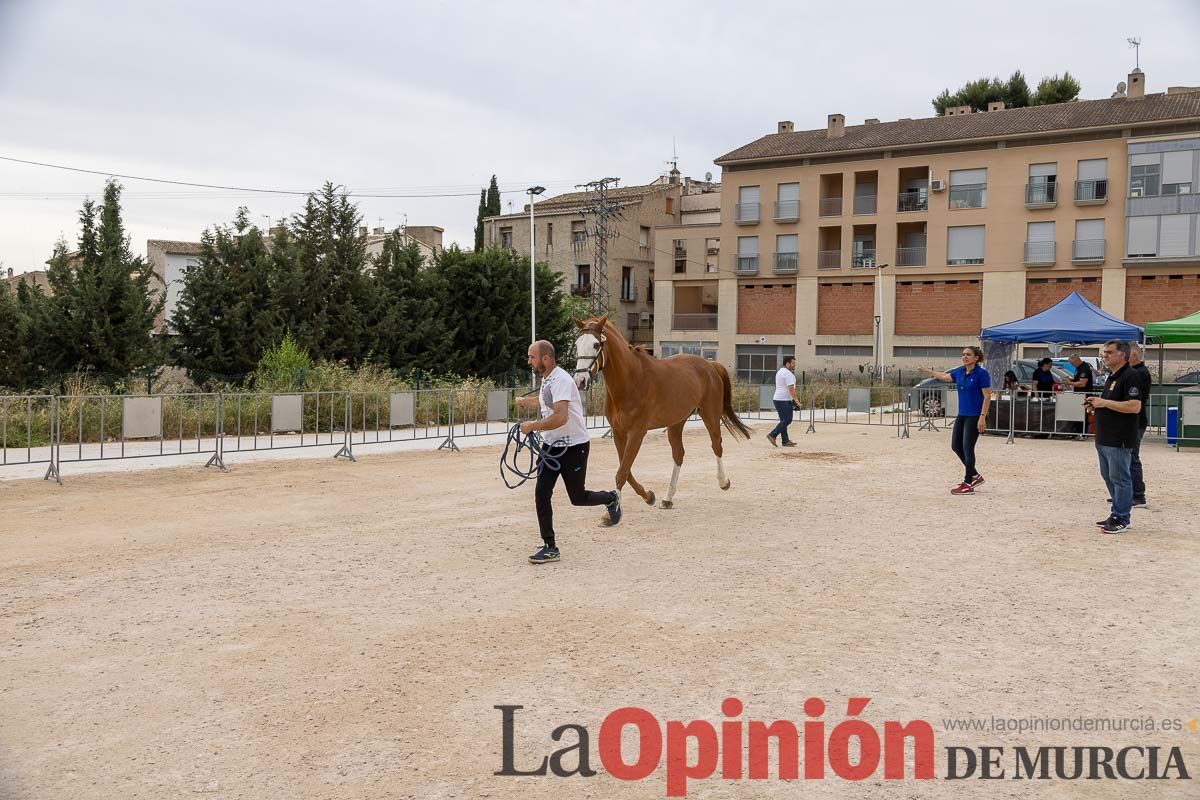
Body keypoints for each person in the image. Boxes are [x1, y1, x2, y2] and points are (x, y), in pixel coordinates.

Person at [516, 340, 622, 564]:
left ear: (546, 358)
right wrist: (528, 401)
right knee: (541, 493)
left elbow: (560, 416)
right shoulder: (548, 379)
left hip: (574, 447)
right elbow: (548, 401)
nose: (529, 361)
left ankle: (611, 498)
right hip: (551, 446)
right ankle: (550, 546)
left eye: (532, 357)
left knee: (578, 497)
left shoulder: (562, 379)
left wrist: (532, 426)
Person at [1084, 340, 1143, 534]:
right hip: (1104, 436)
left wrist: (1104, 403)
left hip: (1120, 437)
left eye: (1109, 352)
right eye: (1104, 352)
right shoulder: (1112, 376)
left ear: (1122, 355)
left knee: (1120, 478)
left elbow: (1134, 406)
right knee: (1109, 476)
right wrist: (1096, 404)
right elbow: (1110, 402)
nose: (1105, 355)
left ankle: (1122, 518)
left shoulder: (1131, 376)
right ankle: (1116, 512)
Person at [918, 346, 992, 495]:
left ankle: (967, 483)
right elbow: (944, 377)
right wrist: (927, 371)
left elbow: (987, 396)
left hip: (974, 416)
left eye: (968, 354)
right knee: (955, 446)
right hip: (962, 415)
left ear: (976, 358)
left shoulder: (981, 374)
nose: (965, 357)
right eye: (963, 354)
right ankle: (975, 475)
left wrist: (982, 417)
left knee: (967, 448)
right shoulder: (960, 372)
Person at [1128, 342, 1151, 509]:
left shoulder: (1139, 373)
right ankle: (1127, 493)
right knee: (1127, 458)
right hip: (1133, 421)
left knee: (1132, 457)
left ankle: (1138, 495)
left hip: (1136, 421)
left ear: (1134, 356)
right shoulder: (1136, 372)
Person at [767, 355, 800, 448]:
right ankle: (772, 435)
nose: (794, 365)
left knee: (783, 420)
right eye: (793, 363)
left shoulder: (780, 372)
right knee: (788, 419)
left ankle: (785, 440)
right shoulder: (787, 374)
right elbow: (791, 388)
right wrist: (796, 400)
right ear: (787, 363)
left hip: (778, 399)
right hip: (784, 400)